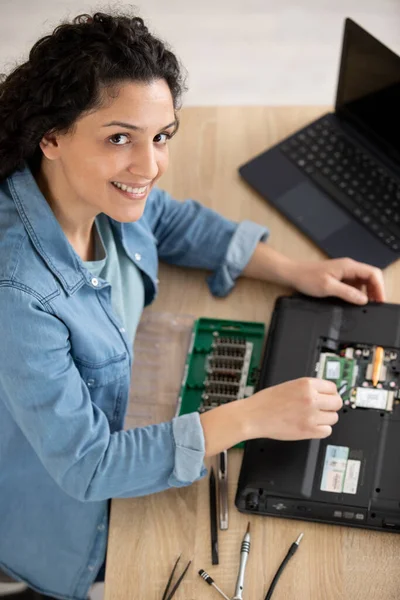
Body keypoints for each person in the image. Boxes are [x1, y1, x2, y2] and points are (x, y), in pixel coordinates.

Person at [0, 11, 385, 600]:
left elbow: (168, 218)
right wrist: (251, 417)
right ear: (50, 137)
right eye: (118, 138)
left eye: (161, 136)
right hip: (63, 520)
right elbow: (88, 466)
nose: (149, 166)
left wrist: (295, 270)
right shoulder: (18, 293)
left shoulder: (95, 189)